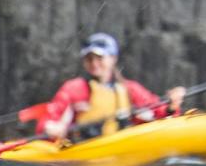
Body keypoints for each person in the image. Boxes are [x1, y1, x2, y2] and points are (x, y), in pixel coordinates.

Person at [36, 33, 186, 143]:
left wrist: (172, 107)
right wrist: (50, 128)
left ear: (113, 58)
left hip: (120, 150)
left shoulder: (129, 90)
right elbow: (49, 118)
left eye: (99, 58)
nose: (94, 63)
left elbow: (159, 114)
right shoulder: (73, 88)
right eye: (89, 59)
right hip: (82, 152)